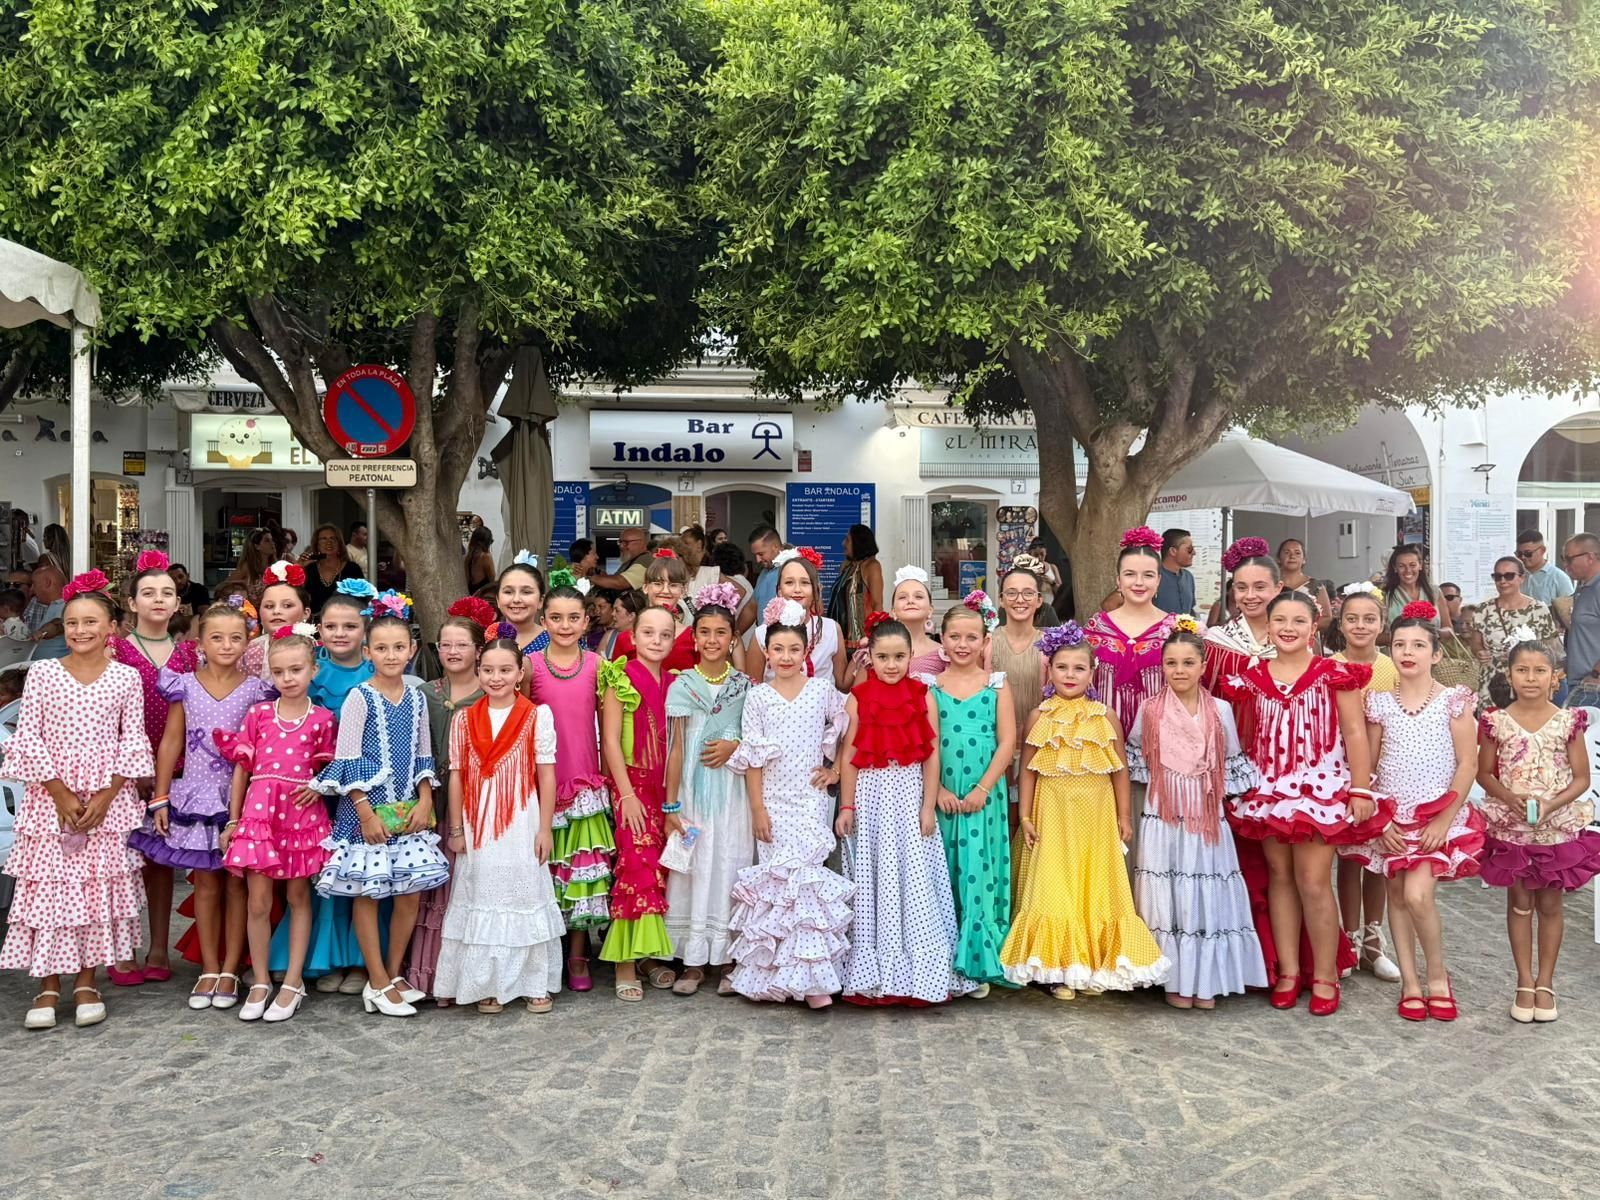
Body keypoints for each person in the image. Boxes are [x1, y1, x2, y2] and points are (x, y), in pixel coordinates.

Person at [0, 571, 153, 1030]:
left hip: (107, 800)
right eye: (71, 623)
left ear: (111, 627)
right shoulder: (44, 673)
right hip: (51, 799)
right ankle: (47, 983)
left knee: (91, 891)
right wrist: (60, 794)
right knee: (50, 888)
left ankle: (87, 980)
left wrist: (106, 797)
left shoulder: (126, 678)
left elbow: (133, 740)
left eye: (90, 622)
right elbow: (29, 737)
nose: (80, 631)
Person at [1223, 591, 1386, 1017]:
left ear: (1314, 626)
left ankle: (1326, 975)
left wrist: (1361, 788)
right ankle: (1289, 971)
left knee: (1314, 881)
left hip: (1320, 789)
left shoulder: (1334, 672)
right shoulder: (1254, 675)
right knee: (1279, 876)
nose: (1288, 628)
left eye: (1298, 620)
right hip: (1268, 787)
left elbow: (1354, 731)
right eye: (1280, 620)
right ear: (1269, 625)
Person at [1001, 621, 1169, 997]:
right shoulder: (1039, 716)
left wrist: (1124, 815)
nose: (1070, 675)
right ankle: (1058, 968)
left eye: (1079, 668)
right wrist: (1025, 816)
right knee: (1054, 885)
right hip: (1052, 816)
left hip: (1096, 815)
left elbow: (1120, 770)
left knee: (1096, 886)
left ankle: (1094, 963)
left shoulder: (1104, 715)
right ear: (1050, 671)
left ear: (1092, 673)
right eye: (1062, 667)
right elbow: (1026, 771)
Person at [312, 592, 450, 1018]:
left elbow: (424, 754)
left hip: (407, 810)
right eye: (382, 648)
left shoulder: (414, 698)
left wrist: (426, 800)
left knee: (408, 893)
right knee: (369, 893)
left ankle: (391, 975)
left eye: (399, 647)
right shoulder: (360, 697)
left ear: (411, 651)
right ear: (369, 652)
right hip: (366, 813)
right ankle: (374, 978)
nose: (391, 655)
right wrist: (365, 812)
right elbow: (347, 758)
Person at [1344, 612, 1483, 1022]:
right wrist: (1379, 821)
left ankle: (1437, 977)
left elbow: (1467, 765)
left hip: (1435, 818)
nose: (1408, 652)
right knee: (1397, 899)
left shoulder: (1453, 701)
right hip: (1392, 819)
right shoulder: (1380, 704)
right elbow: (1367, 765)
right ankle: (1409, 981)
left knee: (1419, 895)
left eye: (1419, 645)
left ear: (1435, 654)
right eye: (1400, 645)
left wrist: (1443, 820)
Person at [132, 602, 268, 1012]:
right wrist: (160, 795)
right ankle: (208, 967)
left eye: (236, 638)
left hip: (239, 799)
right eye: (217, 637)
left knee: (236, 883)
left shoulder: (258, 689)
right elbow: (171, 742)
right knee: (205, 883)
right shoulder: (183, 684)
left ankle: (230, 967)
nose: (226, 645)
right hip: (193, 795)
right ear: (199, 643)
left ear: (248, 642)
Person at [835, 612, 974, 1006]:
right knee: (874, 877)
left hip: (910, 795)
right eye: (883, 658)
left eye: (899, 657)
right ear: (871, 657)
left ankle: (920, 971)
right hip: (871, 796)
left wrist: (928, 807)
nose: (891, 666)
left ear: (911, 655)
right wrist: (847, 806)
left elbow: (932, 755)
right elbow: (849, 755)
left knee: (914, 877)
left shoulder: (922, 694)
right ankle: (874, 972)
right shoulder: (858, 697)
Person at [1126, 623, 1264, 1009]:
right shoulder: (1150, 709)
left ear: (1204, 665)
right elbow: (1135, 755)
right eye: (1171, 663)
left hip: (1204, 811)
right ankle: (1173, 978)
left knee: (1205, 887)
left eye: (1188, 662)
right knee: (1168, 887)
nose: (1180, 670)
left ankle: (1206, 979)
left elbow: (1231, 760)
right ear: (1162, 668)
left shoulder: (1220, 710)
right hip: (1165, 809)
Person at [726, 604, 852, 1006]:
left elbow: (849, 722)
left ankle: (813, 980)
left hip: (811, 799)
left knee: (807, 886)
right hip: (773, 802)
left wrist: (834, 770)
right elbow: (752, 756)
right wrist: (758, 808)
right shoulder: (758, 697)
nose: (785, 656)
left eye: (793, 649)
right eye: (777, 649)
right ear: (766, 652)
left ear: (806, 653)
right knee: (777, 889)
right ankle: (772, 976)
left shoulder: (822, 691)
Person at [434, 635, 564, 1015]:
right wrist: (456, 829)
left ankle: (533, 982)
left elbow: (547, 776)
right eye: (488, 670)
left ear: (519, 672)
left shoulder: (537, 715)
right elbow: (456, 776)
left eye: (505, 670)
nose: (496, 677)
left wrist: (545, 828)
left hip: (521, 818)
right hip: (478, 821)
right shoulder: (464, 719)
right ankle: (487, 984)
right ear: (478, 671)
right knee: (483, 893)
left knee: (525, 893)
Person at [1477, 638, 1600, 1023]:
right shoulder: (1495, 721)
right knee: (1518, 903)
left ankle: (1546, 981)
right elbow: (1484, 772)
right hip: (1513, 828)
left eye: (1540, 670)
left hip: (1555, 828)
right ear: (1510, 675)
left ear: (1555, 677)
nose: (1531, 678)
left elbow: (1581, 778)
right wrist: (1509, 797)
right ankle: (1523, 980)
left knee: (1550, 903)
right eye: (1522, 670)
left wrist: (1553, 804)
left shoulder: (1568, 722)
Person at [216, 631, 336, 1023]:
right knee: (258, 901)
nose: (288, 678)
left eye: (297, 669)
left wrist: (317, 788)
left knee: (299, 896)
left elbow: (332, 770)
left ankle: (294, 981)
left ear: (313, 670)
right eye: (279, 671)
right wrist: (233, 820)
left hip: (301, 817)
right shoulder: (259, 715)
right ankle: (262, 980)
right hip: (259, 815)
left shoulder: (322, 719)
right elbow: (242, 769)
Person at [105, 553, 201, 988]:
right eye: (148, 593)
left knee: (163, 861)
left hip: (178, 770)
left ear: (178, 603)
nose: (158, 600)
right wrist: (128, 768)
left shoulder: (188, 654)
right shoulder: (116, 651)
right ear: (131, 603)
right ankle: (119, 946)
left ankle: (159, 945)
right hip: (124, 770)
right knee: (120, 862)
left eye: (167, 593)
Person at [662, 586, 752, 995]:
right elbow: (676, 747)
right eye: (705, 632)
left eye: (721, 632)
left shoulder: (745, 687)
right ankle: (694, 961)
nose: (713, 640)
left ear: (733, 638)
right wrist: (671, 804)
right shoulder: (682, 686)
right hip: (694, 791)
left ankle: (732, 957)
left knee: (731, 862)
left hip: (733, 790)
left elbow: (757, 739)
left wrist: (735, 746)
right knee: (696, 866)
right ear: (694, 637)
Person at [525, 580, 615, 992]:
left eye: (573, 618)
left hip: (583, 782)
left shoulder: (598, 664)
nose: (565, 625)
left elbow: (609, 729)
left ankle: (578, 955)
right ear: (544, 621)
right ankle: (549, 951)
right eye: (556, 618)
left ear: (586, 622)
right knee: (547, 871)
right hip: (543, 784)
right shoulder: (530, 665)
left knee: (580, 873)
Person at [926, 596, 1015, 993]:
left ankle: (978, 958)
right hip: (942, 791)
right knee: (944, 869)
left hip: (983, 793)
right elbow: (925, 742)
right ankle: (942, 957)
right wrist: (939, 789)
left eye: (971, 637)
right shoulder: (930, 686)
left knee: (978, 869)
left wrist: (983, 788)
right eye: (955, 636)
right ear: (941, 640)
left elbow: (1008, 741)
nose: (963, 644)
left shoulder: (996, 685)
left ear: (984, 641)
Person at [406, 599, 491, 1002]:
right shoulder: (425, 693)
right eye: (445, 645)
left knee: (468, 890)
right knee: (433, 894)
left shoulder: (490, 693)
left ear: (478, 649)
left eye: (461, 645)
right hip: (430, 805)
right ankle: (431, 976)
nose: (453, 652)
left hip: (477, 808)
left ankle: (468, 977)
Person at [597, 605, 677, 1001]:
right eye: (648, 632)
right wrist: (625, 793)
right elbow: (610, 739)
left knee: (659, 868)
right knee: (635, 864)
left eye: (665, 635)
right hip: (632, 782)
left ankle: (645, 955)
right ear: (633, 634)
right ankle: (623, 964)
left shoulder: (676, 681)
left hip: (666, 785)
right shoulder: (620, 676)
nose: (656, 641)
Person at [1328, 583, 1402, 983]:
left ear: (1381, 625)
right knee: (1350, 858)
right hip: (1343, 772)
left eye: (1369, 619)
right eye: (1352, 619)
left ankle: (1375, 941)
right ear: (1340, 624)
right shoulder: (1329, 666)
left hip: (1387, 771)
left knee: (1379, 861)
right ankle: (1349, 939)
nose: (1360, 625)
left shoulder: (1393, 666)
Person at [748, 548, 847, 688]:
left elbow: (842, 684)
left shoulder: (831, 629)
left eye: (805, 583)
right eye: (789, 583)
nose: (797, 589)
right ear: (779, 591)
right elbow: (753, 687)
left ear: (816, 589)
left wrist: (862, 657)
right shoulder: (761, 634)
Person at [1471, 555, 1561, 705]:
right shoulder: (1483, 610)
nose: (1503, 581)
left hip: (1529, 683)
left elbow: (1552, 649)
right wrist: (1480, 652)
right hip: (1494, 684)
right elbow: (1475, 644)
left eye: (1509, 576)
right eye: (1497, 576)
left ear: (1521, 578)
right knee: (1493, 725)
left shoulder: (1538, 609)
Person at [614, 550, 699, 673]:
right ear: (645, 587)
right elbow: (614, 686)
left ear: (683, 590)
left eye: (673, 585)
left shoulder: (693, 638)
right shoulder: (625, 638)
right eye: (658, 584)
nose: (665, 590)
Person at [241, 561, 312, 682]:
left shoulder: (317, 651)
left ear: (306, 613)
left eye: (287, 605)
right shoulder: (250, 652)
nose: (276, 611)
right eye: (269, 606)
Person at [1559, 532, 1600, 709]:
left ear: (1590, 557)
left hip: (1593, 684)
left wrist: (1597, 673)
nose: (1565, 565)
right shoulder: (1583, 587)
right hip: (1580, 681)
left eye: (1569, 559)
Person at [828, 523, 883, 644]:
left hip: (860, 641)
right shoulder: (847, 566)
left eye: (848, 540)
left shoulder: (872, 566)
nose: (843, 544)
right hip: (838, 640)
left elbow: (877, 605)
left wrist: (876, 638)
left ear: (858, 543)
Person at [736, 524, 787, 637]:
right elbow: (752, 607)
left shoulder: (793, 568)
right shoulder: (765, 572)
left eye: (761, 554)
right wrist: (735, 635)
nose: (757, 560)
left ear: (775, 547)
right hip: (764, 641)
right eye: (755, 555)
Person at [300, 524, 364, 613]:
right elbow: (300, 597)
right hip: (314, 622)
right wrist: (300, 568)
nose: (329, 542)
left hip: (345, 619)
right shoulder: (310, 568)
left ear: (339, 543)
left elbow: (362, 599)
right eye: (323, 539)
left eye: (333, 538)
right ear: (317, 544)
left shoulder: (352, 569)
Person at [1380, 545, 1441, 638]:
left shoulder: (1434, 592)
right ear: (1395, 568)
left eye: (1412, 565)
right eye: (1401, 566)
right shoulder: (1384, 596)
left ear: (1420, 565)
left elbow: (1447, 627)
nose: (1408, 570)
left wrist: (1436, 633)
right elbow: (1375, 635)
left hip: (1429, 650)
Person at [1277, 539, 1333, 636]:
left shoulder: (1316, 585)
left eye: (1297, 553)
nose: (1292, 556)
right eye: (1287, 552)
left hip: (1308, 642)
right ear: (1279, 558)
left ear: (1304, 560)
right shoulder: (1271, 585)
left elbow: (1327, 618)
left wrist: (1300, 627)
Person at [495, 556, 547, 655]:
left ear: (540, 601)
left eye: (526, 592)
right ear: (498, 600)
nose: (516, 599)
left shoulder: (555, 642)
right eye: (508, 592)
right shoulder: (485, 639)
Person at [1516, 528, 1574, 606]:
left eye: (1528, 553)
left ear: (1542, 550)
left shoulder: (1559, 578)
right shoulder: (1516, 576)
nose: (1523, 557)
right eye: (1519, 554)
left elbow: (1568, 611)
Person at [589, 526, 651, 593]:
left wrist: (587, 578)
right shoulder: (632, 561)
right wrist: (603, 576)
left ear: (641, 542)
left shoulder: (645, 561)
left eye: (626, 542)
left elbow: (619, 583)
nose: (621, 546)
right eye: (620, 542)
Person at [221, 528, 277, 598]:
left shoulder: (275, 566)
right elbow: (223, 586)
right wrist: (242, 584)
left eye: (272, 540)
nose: (272, 543)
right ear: (257, 546)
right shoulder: (247, 566)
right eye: (267, 541)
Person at [26, 561, 67, 658]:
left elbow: (61, 624)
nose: (31, 589)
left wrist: (44, 631)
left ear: (47, 583)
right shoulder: (51, 605)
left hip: (55, 670)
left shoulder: (68, 606)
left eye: (34, 584)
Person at [1152, 528, 1196, 616]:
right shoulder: (1152, 576)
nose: (1194, 553)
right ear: (1173, 551)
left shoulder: (1188, 577)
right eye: (1189, 549)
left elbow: (1190, 610)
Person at [600, 589, 645, 660]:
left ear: (631, 616)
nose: (613, 614)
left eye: (617, 610)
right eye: (613, 610)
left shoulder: (645, 639)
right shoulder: (609, 636)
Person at [1026, 538, 1063, 613]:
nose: (1039, 558)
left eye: (1042, 554)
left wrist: (1052, 582)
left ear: (1046, 552)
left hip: (1051, 608)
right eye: (1036, 555)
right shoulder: (1026, 571)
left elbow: (1061, 592)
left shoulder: (1052, 568)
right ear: (1030, 554)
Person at [464, 526, 496, 594]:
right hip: (484, 597)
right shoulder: (486, 557)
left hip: (472, 596)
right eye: (491, 541)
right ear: (486, 542)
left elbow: (467, 583)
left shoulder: (468, 558)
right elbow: (492, 581)